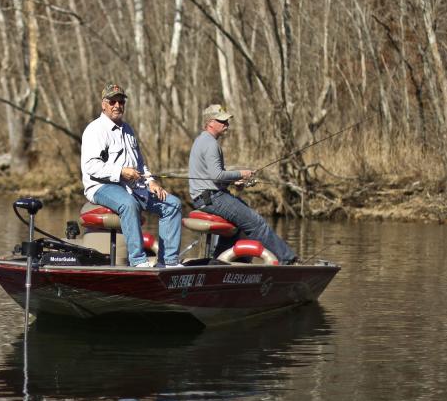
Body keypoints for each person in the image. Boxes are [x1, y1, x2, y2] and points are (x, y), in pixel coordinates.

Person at [81, 83, 183, 267]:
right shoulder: (94, 130)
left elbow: (140, 164)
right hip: (100, 186)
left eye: (121, 101)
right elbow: (90, 166)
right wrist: (120, 171)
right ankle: (138, 261)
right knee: (129, 204)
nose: (117, 105)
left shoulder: (128, 130)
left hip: (134, 186)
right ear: (103, 104)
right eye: (112, 101)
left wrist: (151, 181)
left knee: (172, 204)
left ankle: (167, 261)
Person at [188, 104, 298, 264]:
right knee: (257, 223)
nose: (227, 124)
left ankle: (218, 263)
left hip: (205, 197)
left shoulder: (201, 140)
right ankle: (288, 259)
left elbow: (211, 177)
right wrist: (242, 173)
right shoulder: (211, 144)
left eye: (226, 121)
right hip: (212, 198)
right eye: (222, 121)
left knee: (237, 226)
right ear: (210, 122)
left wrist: (233, 181)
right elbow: (216, 175)